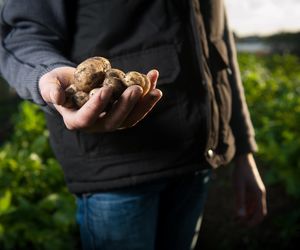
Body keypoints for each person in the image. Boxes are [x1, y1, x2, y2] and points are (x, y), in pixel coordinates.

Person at [0, 0, 267, 249]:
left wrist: (243, 148)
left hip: (196, 161)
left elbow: (218, 42)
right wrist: (47, 74)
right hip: (117, 169)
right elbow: (20, 35)